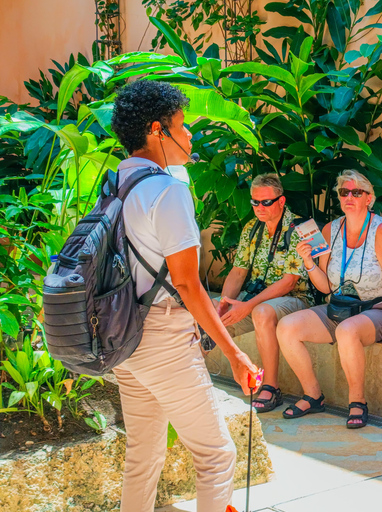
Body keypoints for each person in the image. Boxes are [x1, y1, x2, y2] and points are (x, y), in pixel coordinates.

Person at [109, 80, 259, 512]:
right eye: (183, 125)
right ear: (158, 130)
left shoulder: (118, 182)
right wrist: (235, 354)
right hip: (162, 337)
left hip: (124, 335)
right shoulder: (168, 191)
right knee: (216, 457)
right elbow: (189, 285)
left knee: (143, 456)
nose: (190, 134)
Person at [276, 169, 382, 428]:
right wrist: (309, 262)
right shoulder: (331, 229)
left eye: (357, 192)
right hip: (340, 307)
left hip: (377, 308)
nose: (349, 196)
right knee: (287, 327)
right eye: (344, 192)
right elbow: (326, 287)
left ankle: (358, 402)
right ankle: (313, 395)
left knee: (346, 331)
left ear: (369, 198)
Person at [214, 173, 313, 413]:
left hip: (297, 300)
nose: (260, 207)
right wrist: (224, 303)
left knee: (260, 311)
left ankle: (271, 387)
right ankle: (191, 379)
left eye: (266, 202)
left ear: (281, 201)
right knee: (208, 309)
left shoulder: (303, 227)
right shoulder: (252, 227)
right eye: (255, 202)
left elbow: (289, 283)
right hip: (257, 297)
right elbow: (238, 272)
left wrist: (246, 306)